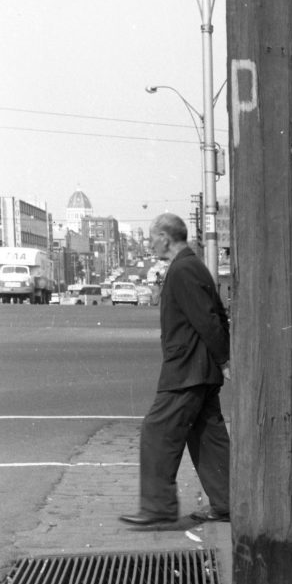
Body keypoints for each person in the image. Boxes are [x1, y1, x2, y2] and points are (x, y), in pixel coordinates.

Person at [120, 213, 231, 527]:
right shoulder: (193, 266)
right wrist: (221, 361)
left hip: (186, 371)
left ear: (165, 237)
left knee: (157, 431)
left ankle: (158, 507)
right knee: (208, 436)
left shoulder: (182, 269)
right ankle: (229, 502)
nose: (150, 242)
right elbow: (217, 315)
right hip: (201, 370)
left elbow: (208, 319)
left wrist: (224, 359)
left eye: (153, 237)